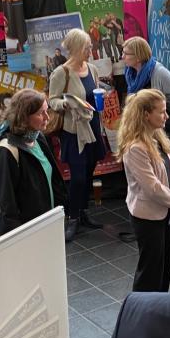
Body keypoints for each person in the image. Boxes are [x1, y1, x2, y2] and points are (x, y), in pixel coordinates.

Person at [117, 89, 170, 292]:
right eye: (162, 112)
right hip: (148, 217)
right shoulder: (136, 148)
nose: (166, 116)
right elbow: (152, 187)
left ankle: (158, 307)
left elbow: (167, 173)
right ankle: (142, 311)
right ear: (146, 115)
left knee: (164, 267)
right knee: (150, 271)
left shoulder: (156, 138)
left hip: (163, 212)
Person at [48, 29, 106, 239]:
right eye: (87, 47)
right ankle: (72, 217)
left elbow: (95, 92)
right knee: (78, 176)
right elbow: (52, 100)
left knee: (89, 172)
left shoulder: (92, 69)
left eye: (90, 46)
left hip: (92, 127)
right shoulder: (61, 73)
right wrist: (66, 103)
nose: (91, 50)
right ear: (75, 49)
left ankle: (83, 212)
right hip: (74, 131)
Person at [0, 89, 68, 235]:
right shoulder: (6, 151)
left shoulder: (38, 137)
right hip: (28, 231)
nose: (47, 117)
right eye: (40, 113)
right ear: (23, 117)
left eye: (47, 110)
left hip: (48, 222)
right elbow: (7, 206)